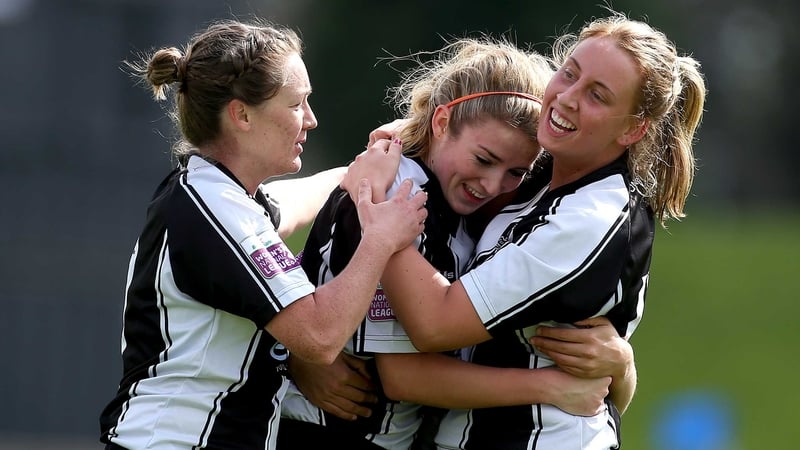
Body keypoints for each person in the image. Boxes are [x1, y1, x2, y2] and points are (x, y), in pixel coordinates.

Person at [343, 10, 707, 450]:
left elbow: (435, 323)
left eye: (597, 95)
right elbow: (475, 134)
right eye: (569, 74)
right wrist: (412, 137)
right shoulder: (545, 167)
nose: (568, 98)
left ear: (633, 129)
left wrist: (378, 198)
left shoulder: (589, 219)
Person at [277, 37, 633, 450]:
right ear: (442, 122)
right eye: (483, 160)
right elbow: (403, 375)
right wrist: (549, 386)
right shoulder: (394, 196)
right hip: (325, 432)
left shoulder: (460, 201)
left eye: (516, 172)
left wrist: (622, 366)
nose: (493, 185)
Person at [97, 19, 429, 450]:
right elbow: (320, 336)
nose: (311, 119)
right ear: (242, 115)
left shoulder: (219, 196)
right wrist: (381, 239)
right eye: (297, 104)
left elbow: (296, 201)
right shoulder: (214, 207)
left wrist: (370, 163)